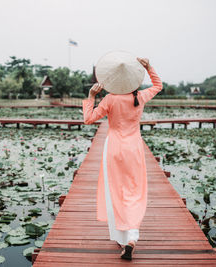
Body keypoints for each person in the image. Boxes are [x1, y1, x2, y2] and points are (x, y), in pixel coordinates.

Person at [82, 51, 163, 260]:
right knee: (135, 191)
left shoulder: (110, 99)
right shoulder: (140, 96)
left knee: (117, 191)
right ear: (134, 80)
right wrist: (149, 68)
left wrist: (91, 97)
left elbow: (89, 119)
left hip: (114, 149)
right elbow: (158, 86)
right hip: (134, 148)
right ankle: (132, 236)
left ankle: (122, 236)